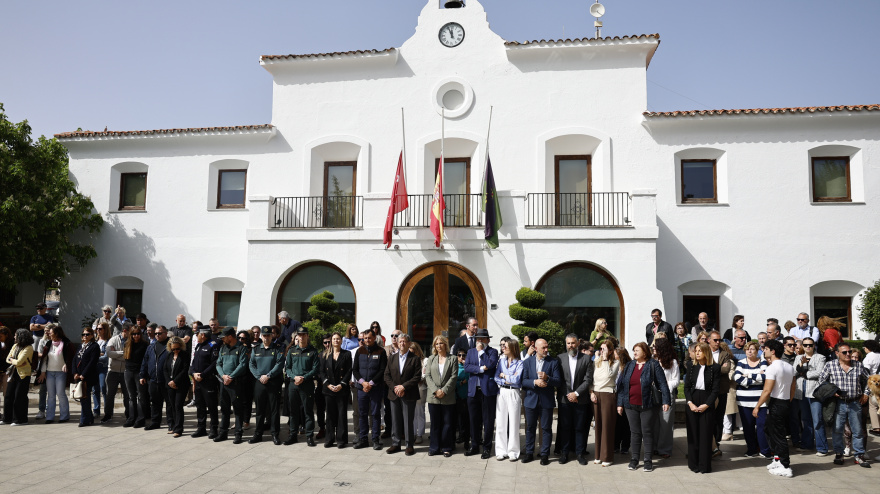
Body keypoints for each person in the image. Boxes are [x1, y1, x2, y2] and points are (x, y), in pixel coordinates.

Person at [616, 342, 672, 472]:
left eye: (637, 350)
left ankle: (648, 460)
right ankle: (634, 459)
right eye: (634, 350)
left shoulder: (653, 364)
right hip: (630, 405)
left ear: (645, 352)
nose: (634, 353)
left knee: (647, 432)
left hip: (648, 405)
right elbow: (623, 387)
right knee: (635, 433)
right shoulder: (630, 365)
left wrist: (666, 401)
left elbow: (663, 384)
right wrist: (620, 403)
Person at [819, 342, 871, 468]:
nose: (848, 354)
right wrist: (832, 392)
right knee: (837, 430)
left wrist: (866, 394)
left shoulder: (858, 365)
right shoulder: (830, 365)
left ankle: (859, 455)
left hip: (855, 402)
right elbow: (821, 381)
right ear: (837, 353)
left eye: (849, 352)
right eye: (844, 352)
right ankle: (839, 454)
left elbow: (870, 380)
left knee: (857, 430)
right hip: (838, 403)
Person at [753, 339, 796, 477]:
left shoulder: (772, 368)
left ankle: (785, 465)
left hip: (777, 403)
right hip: (784, 403)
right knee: (769, 429)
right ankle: (777, 460)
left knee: (779, 435)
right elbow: (793, 388)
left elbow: (767, 391)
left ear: (772, 351)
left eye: (765, 349)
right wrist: (787, 401)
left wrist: (757, 406)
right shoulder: (789, 367)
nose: (763, 350)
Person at [555, 333, 594, 465]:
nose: (571, 346)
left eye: (573, 343)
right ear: (565, 344)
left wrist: (576, 393)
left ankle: (580, 453)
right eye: (568, 343)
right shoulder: (560, 358)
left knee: (580, 427)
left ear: (578, 343)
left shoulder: (586, 359)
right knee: (565, 427)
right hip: (564, 399)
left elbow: (588, 379)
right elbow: (558, 379)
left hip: (581, 399)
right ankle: (564, 453)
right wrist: (569, 394)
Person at [522, 338, 561, 465]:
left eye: (547, 347)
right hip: (531, 400)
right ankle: (529, 453)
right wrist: (535, 382)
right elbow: (523, 381)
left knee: (546, 428)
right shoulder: (527, 362)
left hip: (546, 401)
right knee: (530, 428)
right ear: (536, 348)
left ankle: (544, 455)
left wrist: (547, 378)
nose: (546, 349)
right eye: (543, 347)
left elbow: (558, 381)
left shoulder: (553, 362)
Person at [684, 342, 720, 474]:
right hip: (692, 401)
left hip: (707, 401)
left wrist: (706, 405)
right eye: (696, 350)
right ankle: (693, 464)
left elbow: (715, 390)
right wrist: (690, 403)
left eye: (700, 351)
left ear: (706, 352)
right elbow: (687, 387)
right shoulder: (691, 366)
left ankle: (704, 465)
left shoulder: (715, 368)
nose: (697, 353)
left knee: (705, 435)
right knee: (693, 434)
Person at [383, 333, 421, 455]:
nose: (402, 344)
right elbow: (386, 375)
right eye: (400, 342)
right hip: (394, 394)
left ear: (409, 343)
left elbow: (417, 377)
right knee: (395, 420)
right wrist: (395, 388)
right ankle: (396, 443)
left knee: (408, 420)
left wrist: (403, 387)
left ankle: (409, 445)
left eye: (404, 341)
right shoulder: (392, 358)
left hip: (408, 394)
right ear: (397, 344)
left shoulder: (414, 359)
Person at [464, 328, 500, 459]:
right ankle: (474, 446)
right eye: (478, 339)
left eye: (482, 339)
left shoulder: (492, 352)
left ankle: (487, 448)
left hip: (487, 391)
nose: (479, 341)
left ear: (488, 340)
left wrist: (481, 352)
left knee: (488, 421)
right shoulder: (470, 352)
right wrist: (480, 369)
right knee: (474, 420)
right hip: (473, 391)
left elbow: (490, 364)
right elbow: (467, 367)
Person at [734, 341, 771, 458]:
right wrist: (755, 378)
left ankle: (765, 450)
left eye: (752, 349)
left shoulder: (763, 362)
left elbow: (765, 376)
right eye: (747, 349)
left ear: (757, 350)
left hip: (761, 401)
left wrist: (748, 376)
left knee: (761, 426)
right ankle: (751, 449)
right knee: (748, 426)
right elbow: (736, 378)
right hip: (743, 401)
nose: (749, 351)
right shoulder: (741, 362)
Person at [284, 327, 320, 446]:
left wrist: (303, 377)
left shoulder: (313, 351)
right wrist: (295, 377)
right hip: (293, 385)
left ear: (307, 336)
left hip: (307, 385)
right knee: (293, 411)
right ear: (297, 337)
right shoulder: (292, 350)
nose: (302, 337)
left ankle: (309, 436)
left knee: (308, 411)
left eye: (304, 334)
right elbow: (287, 368)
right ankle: (293, 435)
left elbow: (315, 369)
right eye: (300, 335)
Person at [353, 329, 387, 450]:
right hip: (361, 388)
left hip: (375, 388)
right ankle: (363, 439)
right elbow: (355, 370)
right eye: (365, 338)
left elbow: (382, 370)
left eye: (369, 338)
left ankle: (375, 439)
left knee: (375, 414)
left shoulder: (381, 351)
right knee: (362, 414)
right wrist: (363, 383)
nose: (367, 340)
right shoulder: (359, 351)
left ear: (374, 338)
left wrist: (371, 383)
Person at [249, 326, 284, 445]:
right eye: (264, 336)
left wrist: (268, 375)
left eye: (268, 335)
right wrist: (260, 376)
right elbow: (251, 365)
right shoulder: (256, 349)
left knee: (274, 410)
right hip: (260, 383)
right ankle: (258, 434)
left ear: (272, 336)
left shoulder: (277, 349)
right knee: (259, 410)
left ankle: (275, 434)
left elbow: (279, 364)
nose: (266, 338)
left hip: (273, 382)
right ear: (261, 336)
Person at [793, 337, 828, 455]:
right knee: (805, 420)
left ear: (814, 346)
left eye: (810, 345)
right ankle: (807, 445)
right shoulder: (798, 357)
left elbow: (819, 373)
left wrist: (803, 373)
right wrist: (800, 364)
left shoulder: (820, 357)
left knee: (817, 420)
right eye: (806, 345)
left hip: (814, 392)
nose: (808, 347)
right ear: (802, 346)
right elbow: (793, 372)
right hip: (801, 392)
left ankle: (822, 448)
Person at [214, 327, 248, 443]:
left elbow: (242, 365)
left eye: (223, 337)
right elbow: (218, 364)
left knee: (238, 410)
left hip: (236, 383)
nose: (222, 339)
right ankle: (223, 433)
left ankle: (238, 434)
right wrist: (223, 376)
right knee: (224, 409)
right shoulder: (223, 347)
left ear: (230, 337)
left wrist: (231, 376)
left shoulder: (241, 348)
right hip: (224, 382)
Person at [492, 337, 522, 461]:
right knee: (500, 422)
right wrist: (507, 378)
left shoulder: (520, 363)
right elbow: (496, 377)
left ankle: (513, 452)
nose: (503, 348)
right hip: (502, 391)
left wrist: (504, 375)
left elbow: (516, 380)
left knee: (514, 422)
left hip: (514, 392)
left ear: (513, 349)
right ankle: (500, 450)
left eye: (506, 347)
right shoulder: (501, 362)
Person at [591, 340, 619, 467]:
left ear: (610, 351)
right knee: (598, 425)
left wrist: (606, 359)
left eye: (605, 349)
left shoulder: (615, 363)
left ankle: (607, 456)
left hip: (608, 394)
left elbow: (609, 376)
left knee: (607, 425)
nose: (602, 351)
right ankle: (598, 455)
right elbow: (592, 378)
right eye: (601, 349)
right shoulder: (596, 361)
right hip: (596, 394)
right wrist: (591, 392)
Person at [321, 332, 352, 448]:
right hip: (329, 389)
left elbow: (349, 371)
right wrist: (328, 384)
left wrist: (341, 384)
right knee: (330, 415)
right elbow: (322, 372)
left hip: (341, 389)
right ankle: (329, 439)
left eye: (338, 339)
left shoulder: (347, 354)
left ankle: (341, 440)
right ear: (331, 341)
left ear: (341, 341)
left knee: (341, 415)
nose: (336, 341)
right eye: (334, 339)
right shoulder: (325, 354)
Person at [39, 325, 74, 424]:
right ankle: (49, 417)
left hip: (61, 373)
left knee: (60, 393)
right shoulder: (49, 343)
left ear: (57, 333)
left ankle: (64, 416)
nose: (49, 334)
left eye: (51, 332)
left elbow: (71, 357)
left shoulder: (66, 343)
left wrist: (66, 365)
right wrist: (43, 372)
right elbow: (45, 359)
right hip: (50, 372)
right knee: (50, 395)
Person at [190, 326, 220, 439]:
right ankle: (201, 428)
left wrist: (202, 375)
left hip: (208, 380)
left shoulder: (213, 345)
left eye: (197, 334)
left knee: (211, 406)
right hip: (198, 381)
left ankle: (213, 429)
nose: (196, 336)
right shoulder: (198, 346)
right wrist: (193, 373)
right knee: (200, 405)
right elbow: (193, 362)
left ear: (203, 335)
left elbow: (214, 363)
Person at [652, 337, 679, 459]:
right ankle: (654, 447)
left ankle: (664, 449)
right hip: (653, 395)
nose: (653, 349)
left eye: (655, 347)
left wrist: (664, 387)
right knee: (655, 423)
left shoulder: (672, 362)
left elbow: (676, 380)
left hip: (667, 394)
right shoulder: (652, 361)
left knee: (666, 423)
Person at [707, 331, 733, 455]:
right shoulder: (704, 352)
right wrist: (718, 367)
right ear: (708, 340)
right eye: (715, 340)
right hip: (707, 391)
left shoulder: (725, 354)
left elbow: (726, 369)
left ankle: (716, 444)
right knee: (707, 417)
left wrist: (710, 367)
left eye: (719, 340)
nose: (718, 342)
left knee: (719, 418)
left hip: (721, 390)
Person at [2, 329, 34, 425]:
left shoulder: (28, 348)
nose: (14, 337)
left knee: (19, 397)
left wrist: (14, 361)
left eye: (16, 335)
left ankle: (20, 419)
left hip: (23, 375)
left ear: (21, 336)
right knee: (8, 396)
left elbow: (19, 362)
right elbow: (8, 359)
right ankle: (7, 418)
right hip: (13, 373)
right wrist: (15, 361)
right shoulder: (15, 346)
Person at [123, 323, 149, 428]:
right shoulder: (127, 344)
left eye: (138, 334)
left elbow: (145, 361)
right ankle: (131, 418)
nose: (136, 336)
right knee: (131, 396)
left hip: (139, 372)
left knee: (141, 396)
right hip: (128, 372)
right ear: (131, 335)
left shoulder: (145, 344)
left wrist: (143, 374)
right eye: (134, 334)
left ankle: (141, 419)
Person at [103, 322, 130, 423]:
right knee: (110, 394)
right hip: (112, 371)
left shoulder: (130, 341)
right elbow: (109, 353)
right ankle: (108, 415)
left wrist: (116, 355)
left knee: (127, 395)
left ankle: (129, 414)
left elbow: (130, 356)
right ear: (124, 331)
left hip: (125, 372)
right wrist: (123, 354)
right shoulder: (113, 339)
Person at [72, 327, 100, 427]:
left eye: (87, 334)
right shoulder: (80, 346)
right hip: (79, 376)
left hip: (88, 376)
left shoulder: (94, 346)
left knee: (85, 397)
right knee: (83, 398)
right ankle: (89, 418)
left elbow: (92, 362)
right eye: (83, 334)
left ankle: (84, 419)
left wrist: (84, 374)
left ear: (92, 335)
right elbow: (75, 359)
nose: (85, 336)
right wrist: (75, 372)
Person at [164, 336, 189, 437]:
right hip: (170, 384)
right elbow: (165, 369)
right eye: (173, 349)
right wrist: (169, 382)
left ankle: (179, 429)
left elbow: (185, 370)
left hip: (181, 384)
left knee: (178, 405)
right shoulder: (169, 355)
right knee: (172, 405)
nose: (176, 351)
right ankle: (174, 426)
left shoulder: (185, 355)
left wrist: (175, 381)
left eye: (177, 348)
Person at [381, 327, 402, 440]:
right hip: (388, 384)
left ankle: (401, 431)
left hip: (401, 384)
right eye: (392, 336)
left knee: (402, 408)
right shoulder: (385, 349)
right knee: (388, 408)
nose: (394, 337)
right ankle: (388, 430)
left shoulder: (404, 348)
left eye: (396, 335)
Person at [236, 329, 254, 431]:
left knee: (247, 401)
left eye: (243, 338)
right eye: (239, 338)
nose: (241, 340)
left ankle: (246, 421)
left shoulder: (251, 350)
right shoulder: (235, 349)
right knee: (237, 401)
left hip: (248, 378)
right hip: (237, 378)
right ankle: (238, 421)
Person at [410, 341, 427, 444]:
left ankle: (419, 434)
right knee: (412, 412)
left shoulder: (425, 360)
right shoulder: (408, 360)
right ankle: (413, 433)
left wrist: (417, 379)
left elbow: (425, 374)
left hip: (421, 388)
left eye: (413, 352)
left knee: (419, 412)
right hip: (410, 388)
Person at [454, 348, 471, 449]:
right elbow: (452, 379)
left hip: (467, 396)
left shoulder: (468, 367)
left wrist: (466, 366)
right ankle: (460, 435)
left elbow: (471, 377)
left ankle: (466, 439)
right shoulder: (454, 367)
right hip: (457, 396)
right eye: (459, 355)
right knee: (458, 418)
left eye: (463, 355)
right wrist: (460, 382)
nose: (461, 357)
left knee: (466, 419)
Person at [93, 322, 110, 420]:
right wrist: (98, 355)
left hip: (103, 367)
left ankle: (107, 411)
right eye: (97, 329)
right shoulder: (94, 341)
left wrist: (94, 357)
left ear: (105, 330)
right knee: (95, 390)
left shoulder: (108, 342)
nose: (98, 331)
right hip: (94, 368)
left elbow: (106, 357)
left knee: (103, 388)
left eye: (100, 329)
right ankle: (96, 410)